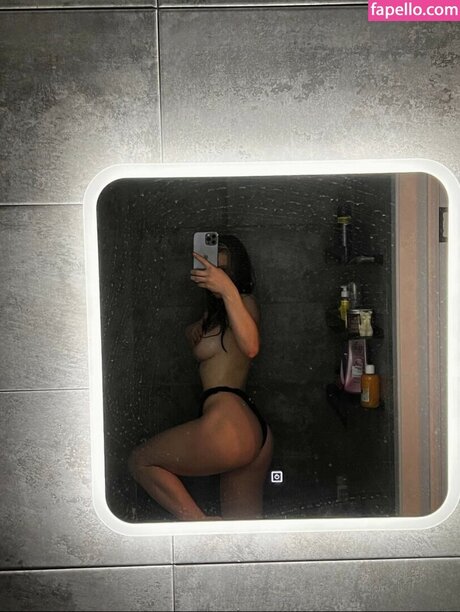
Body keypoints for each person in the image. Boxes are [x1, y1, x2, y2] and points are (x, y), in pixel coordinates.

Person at [128, 235, 273, 520]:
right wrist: (195, 329)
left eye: (223, 271)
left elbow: (251, 346)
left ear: (236, 273)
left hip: (230, 423)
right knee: (240, 533)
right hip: (244, 426)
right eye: (212, 269)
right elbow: (215, 349)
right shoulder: (218, 313)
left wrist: (228, 290)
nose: (216, 275)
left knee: (140, 462)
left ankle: (199, 525)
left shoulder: (243, 302)